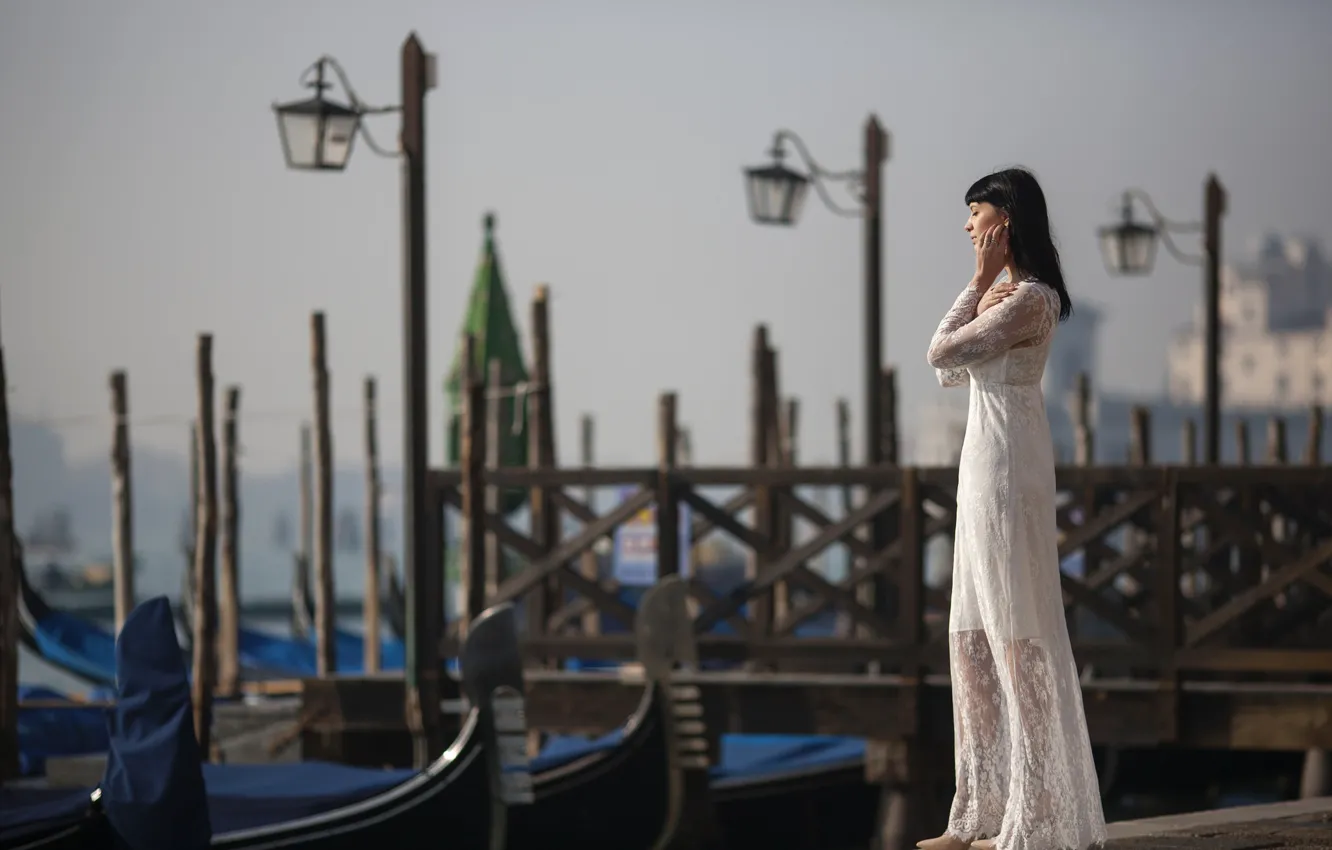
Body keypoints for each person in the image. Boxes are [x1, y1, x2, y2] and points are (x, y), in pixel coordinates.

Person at [919, 168, 1106, 850]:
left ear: (1007, 221)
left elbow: (941, 349)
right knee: (970, 639)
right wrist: (979, 282)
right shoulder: (1001, 293)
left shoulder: (1031, 298)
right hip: (979, 463)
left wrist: (977, 278)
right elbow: (947, 372)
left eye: (977, 214)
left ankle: (1041, 808)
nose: (968, 227)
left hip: (1009, 463)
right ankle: (978, 811)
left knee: (1016, 633)